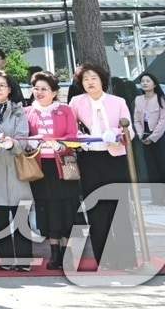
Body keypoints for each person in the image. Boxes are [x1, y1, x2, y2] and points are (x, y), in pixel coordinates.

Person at [69, 64, 135, 271]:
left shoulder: (118, 101)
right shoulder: (76, 101)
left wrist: (115, 133)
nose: (90, 82)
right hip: (89, 160)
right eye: (85, 79)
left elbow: (130, 131)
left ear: (102, 80)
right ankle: (105, 260)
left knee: (119, 209)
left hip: (114, 159)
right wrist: (80, 139)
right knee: (96, 209)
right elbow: (70, 128)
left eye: (94, 78)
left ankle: (127, 260)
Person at [26, 70, 80, 271]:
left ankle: (68, 251)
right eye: (36, 88)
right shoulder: (27, 112)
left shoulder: (64, 110)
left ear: (54, 92)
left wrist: (59, 144)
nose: (39, 92)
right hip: (41, 167)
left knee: (67, 207)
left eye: (44, 89)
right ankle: (54, 250)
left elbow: (72, 134)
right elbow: (24, 136)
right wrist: (30, 143)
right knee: (46, 208)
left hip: (64, 163)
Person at [0, 69, 33, 271]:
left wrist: (12, 143)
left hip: (15, 166)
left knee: (21, 215)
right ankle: (6, 258)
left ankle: (24, 259)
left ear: (10, 89)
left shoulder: (19, 110)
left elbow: (23, 138)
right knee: (0, 217)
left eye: (2, 85)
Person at [134, 72, 165, 201]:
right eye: (143, 81)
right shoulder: (138, 99)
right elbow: (136, 120)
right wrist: (141, 134)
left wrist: (153, 137)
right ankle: (157, 199)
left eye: (148, 81)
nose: (145, 83)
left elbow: (163, 121)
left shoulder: (161, 99)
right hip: (145, 134)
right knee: (152, 167)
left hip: (160, 135)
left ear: (155, 84)